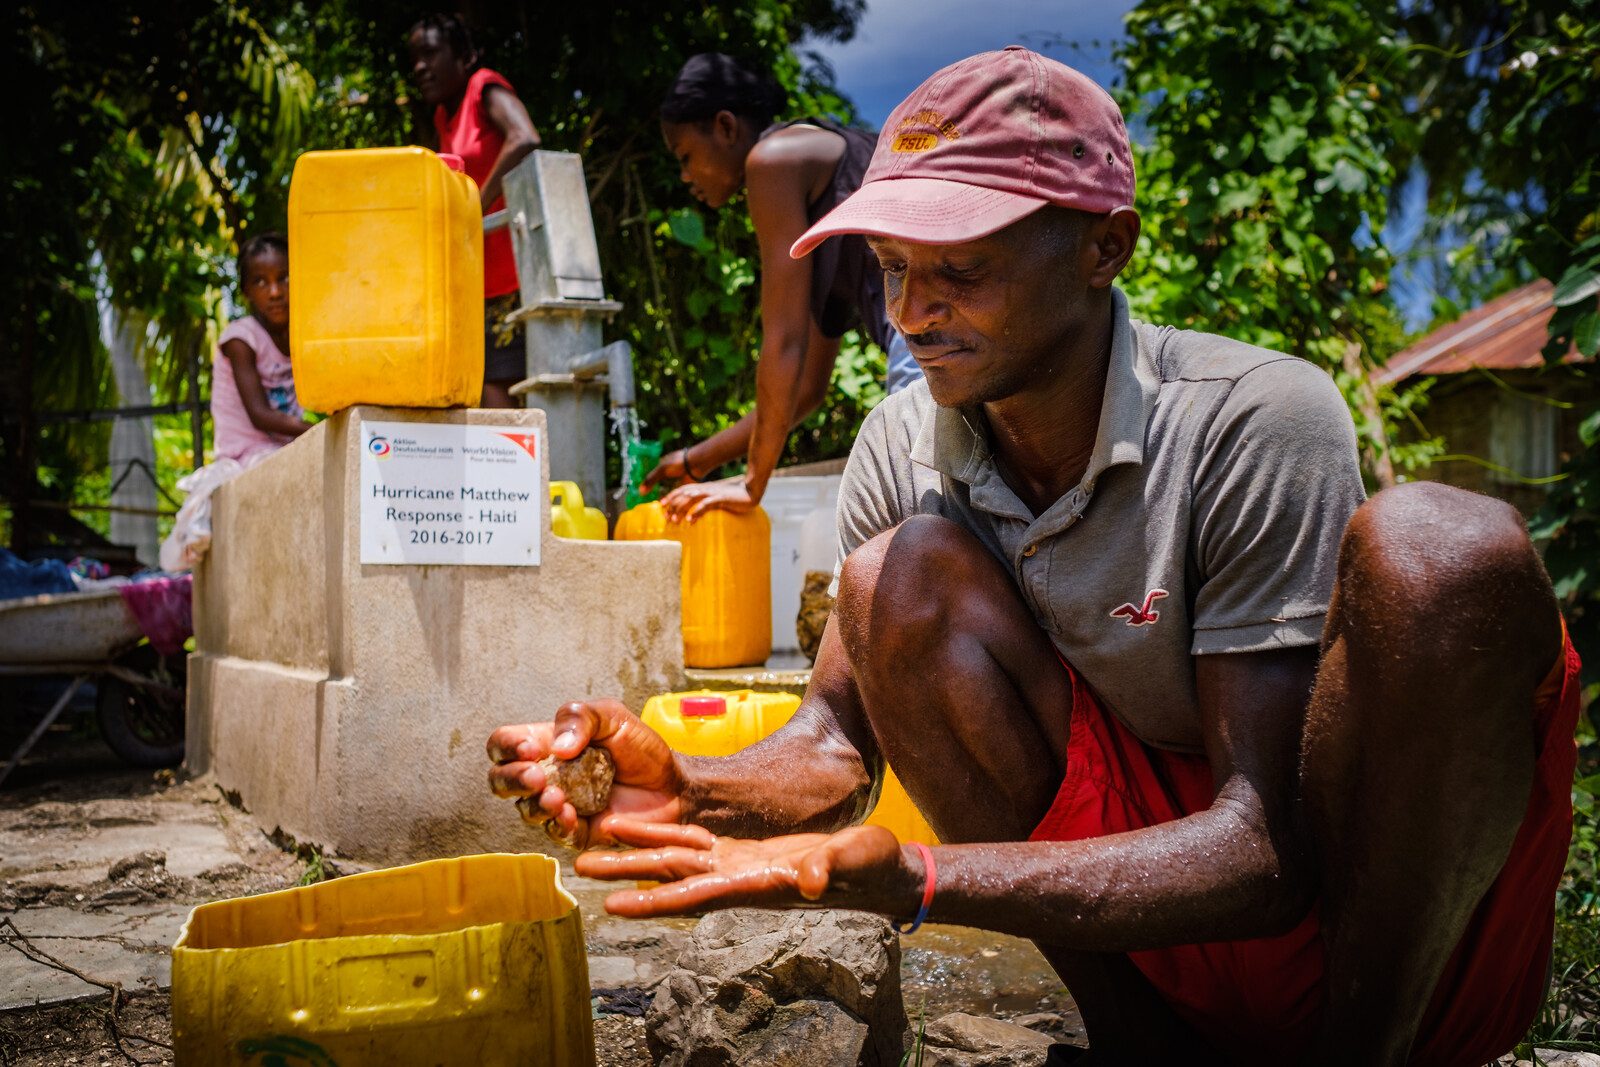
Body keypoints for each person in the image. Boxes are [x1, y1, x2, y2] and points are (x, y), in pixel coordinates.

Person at [486, 48, 1582, 1067]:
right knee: (895, 574)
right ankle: (1143, 1045)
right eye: (891, 268)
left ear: (1104, 246)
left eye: (960, 266)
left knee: (1443, 551)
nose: (912, 312)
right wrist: (693, 789)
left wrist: (918, 874)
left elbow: (1268, 852)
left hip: (1378, 933)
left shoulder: (1254, 420)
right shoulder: (903, 444)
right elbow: (831, 744)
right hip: (1150, 915)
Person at [641, 54, 924, 522]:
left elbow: (784, 342)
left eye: (685, 157)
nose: (685, 177)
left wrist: (753, 485)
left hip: (927, 329)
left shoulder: (771, 160)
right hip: (962, 320)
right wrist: (696, 462)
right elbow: (806, 391)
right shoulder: (826, 202)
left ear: (726, 127)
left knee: (920, 512)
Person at [408, 13, 541, 409]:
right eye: (415, 57)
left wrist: (474, 206)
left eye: (430, 54)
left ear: (464, 57)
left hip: (512, 277)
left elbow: (524, 137)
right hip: (474, 281)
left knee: (501, 393)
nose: (420, 67)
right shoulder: (443, 117)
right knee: (478, 391)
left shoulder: (483, 86)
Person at [213, 233, 311, 465]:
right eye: (261, 282)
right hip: (244, 455)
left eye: (284, 278)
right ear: (247, 291)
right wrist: (321, 430)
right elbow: (260, 415)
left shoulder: (302, 337)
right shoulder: (241, 339)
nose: (275, 292)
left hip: (282, 448)